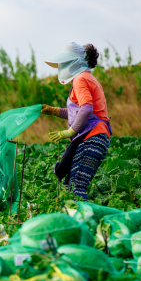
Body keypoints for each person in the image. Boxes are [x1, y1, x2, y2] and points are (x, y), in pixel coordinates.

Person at [41, 42, 112, 201]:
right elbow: (78, 113)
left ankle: (83, 223)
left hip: (92, 138)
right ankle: (72, 221)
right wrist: (54, 111)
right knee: (68, 187)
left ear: (73, 63)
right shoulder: (87, 78)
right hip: (95, 137)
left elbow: (86, 109)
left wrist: (70, 132)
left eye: (64, 63)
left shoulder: (80, 79)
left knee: (75, 186)